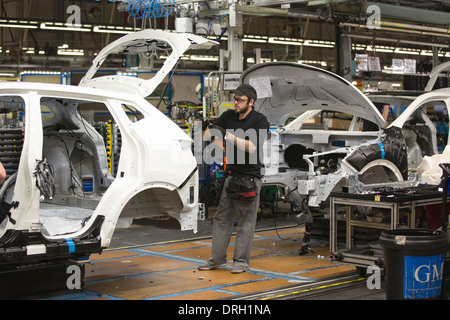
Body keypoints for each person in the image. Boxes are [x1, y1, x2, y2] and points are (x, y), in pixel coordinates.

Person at [199, 84, 269, 274]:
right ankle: (217, 259)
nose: (235, 103)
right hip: (231, 176)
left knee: (246, 223)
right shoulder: (228, 116)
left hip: (250, 178)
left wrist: (228, 136)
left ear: (251, 102)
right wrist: (207, 128)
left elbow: (252, 147)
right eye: (235, 99)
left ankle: (240, 262)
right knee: (222, 219)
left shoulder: (260, 120)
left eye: (240, 100)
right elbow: (207, 135)